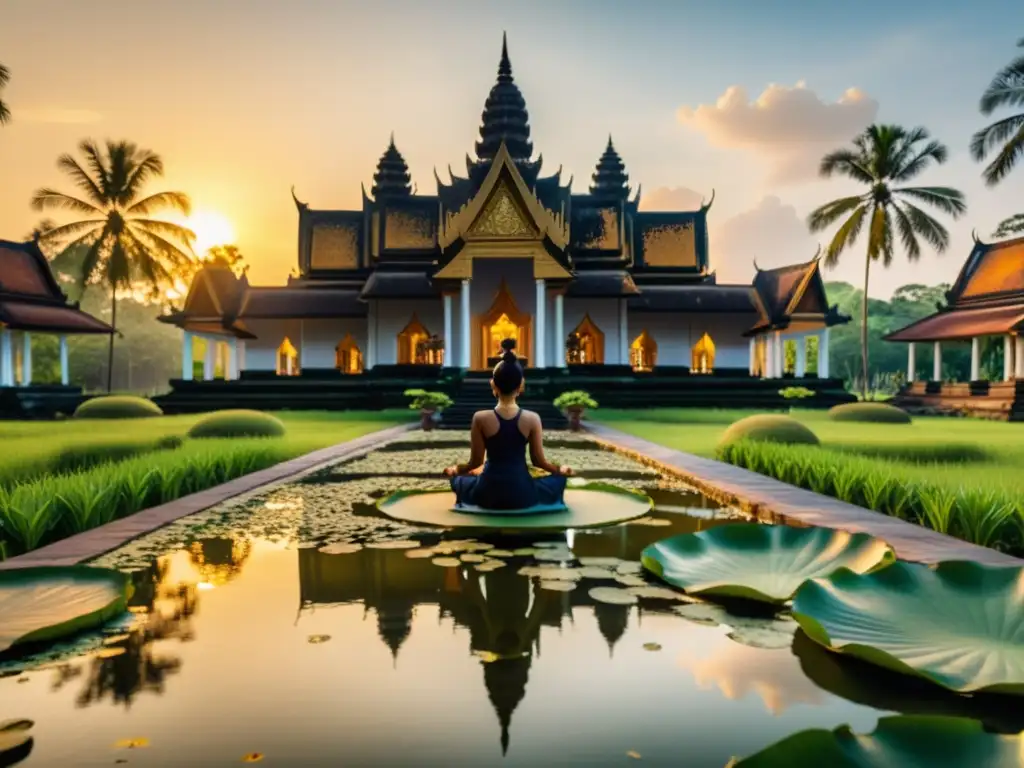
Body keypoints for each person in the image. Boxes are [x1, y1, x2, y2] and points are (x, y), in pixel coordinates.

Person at [444, 338, 573, 510]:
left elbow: (474, 463)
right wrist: (559, 470)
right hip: (523, 494)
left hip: (487, 494)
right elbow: (539, 462)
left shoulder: (480, 418)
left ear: (493, 385)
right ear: (521, 386)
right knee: (558, 480)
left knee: (459, 480)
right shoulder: (532, 418)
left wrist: (456, 470)